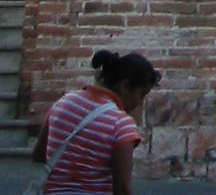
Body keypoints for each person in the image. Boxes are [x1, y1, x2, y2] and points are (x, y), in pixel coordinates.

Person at [33, 48, 160, 195]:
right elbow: (122, 189)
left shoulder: (63, 103)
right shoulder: (121, 125)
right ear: (125, 86)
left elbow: (39, 155)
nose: (140, 102)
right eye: (141, 94)